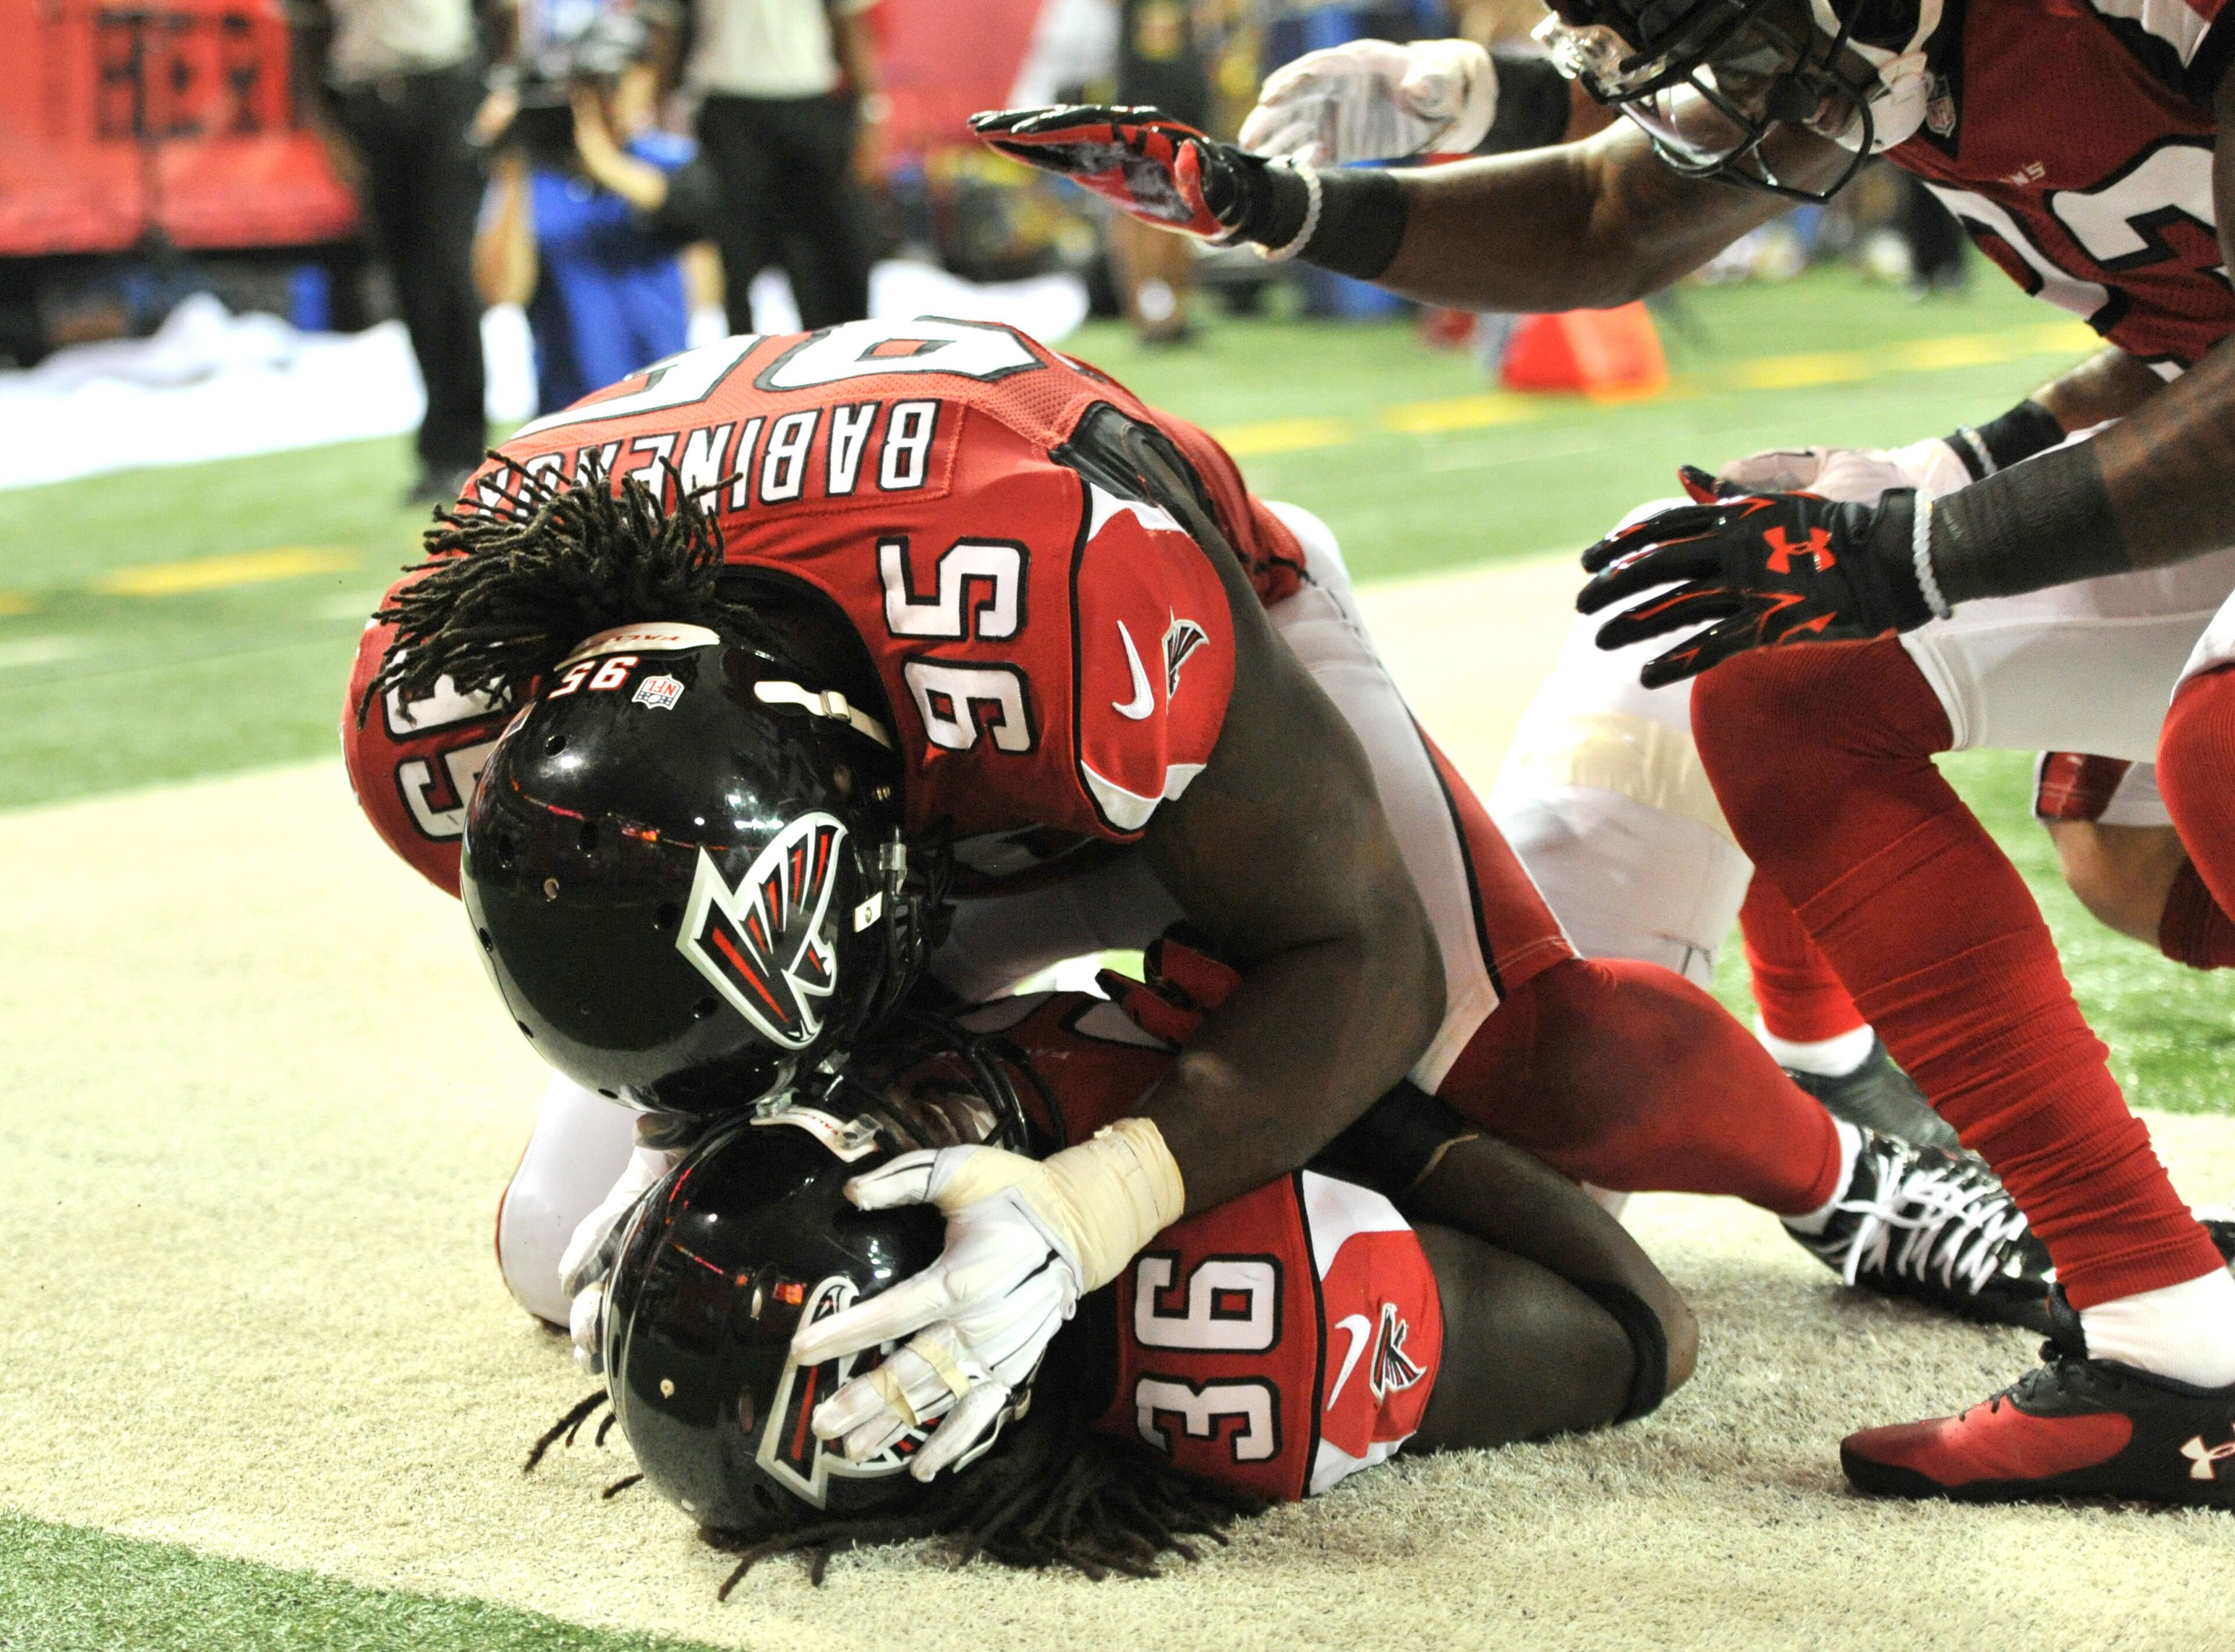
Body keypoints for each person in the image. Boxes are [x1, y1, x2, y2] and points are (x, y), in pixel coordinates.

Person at [340, 315, 2049, 1488]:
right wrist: (679, 1139)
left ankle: (1856, 1183)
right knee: (558, 1260)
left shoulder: (1048, 615)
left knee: (1533, 1058)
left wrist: (1100, 1194)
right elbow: (656, 973)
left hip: (1176, 693)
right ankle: (1044, 1058)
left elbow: (1352, 949)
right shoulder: (452, 703)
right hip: (862, 722)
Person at [964, 4, 2235, 1504]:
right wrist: (1278, 203)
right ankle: (2165, 1339)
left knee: (2213, 761)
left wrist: (1925, 535)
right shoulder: (1889, 42)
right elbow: (1605, 210)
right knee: (1795, 684)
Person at [579, 957, 1695, 1582]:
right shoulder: (1249, 1315)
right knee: (1586, 1053)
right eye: (893, 1139)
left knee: (551, 1256)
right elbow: (1646, 1328)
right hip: (1413, 1010)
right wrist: (1339, 1104)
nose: (875, 1100)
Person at [292, 0, 511, 502]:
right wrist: (328, 131)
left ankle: (469, 448)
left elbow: (505, 11)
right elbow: (306, 33)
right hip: (363, 101)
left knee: (449, 275)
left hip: (445, 89)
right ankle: (439, 453)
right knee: (409, 283)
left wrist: (503, 85)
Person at [474, 6, 719, 414]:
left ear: (648, 77)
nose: (612, 96)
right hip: (573, 412)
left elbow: (697, 234)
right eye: (593, 84)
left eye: (621, 78)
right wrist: (514, 168)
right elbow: (502, 293)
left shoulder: (670, 162)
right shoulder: (535, 183)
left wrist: (599, 156)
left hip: (668, 399)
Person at [684, 0, 881, 332]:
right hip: (728, 105)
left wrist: (871, 111)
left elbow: (849, 20)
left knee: (826, 254)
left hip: (809, 100)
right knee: (735, 251)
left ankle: (834, 359)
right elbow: (665, 20)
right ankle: (738, 362)